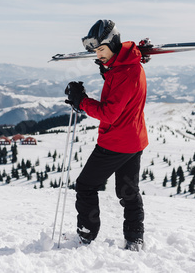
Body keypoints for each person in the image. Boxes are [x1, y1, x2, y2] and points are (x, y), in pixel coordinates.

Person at [64, 19, 149, 251]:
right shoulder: (128, 64)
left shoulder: (125, 72)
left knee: (85, 186)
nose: (97, 54)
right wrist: (106, 70)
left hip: (116, 142)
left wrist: (81, 101)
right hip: (134, 139)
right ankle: (135, 238)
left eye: (101, 49)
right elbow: (121, 92)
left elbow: (109, 113)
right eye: (95, 50)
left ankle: (86, 235)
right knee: (128, 191)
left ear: (113, 43)